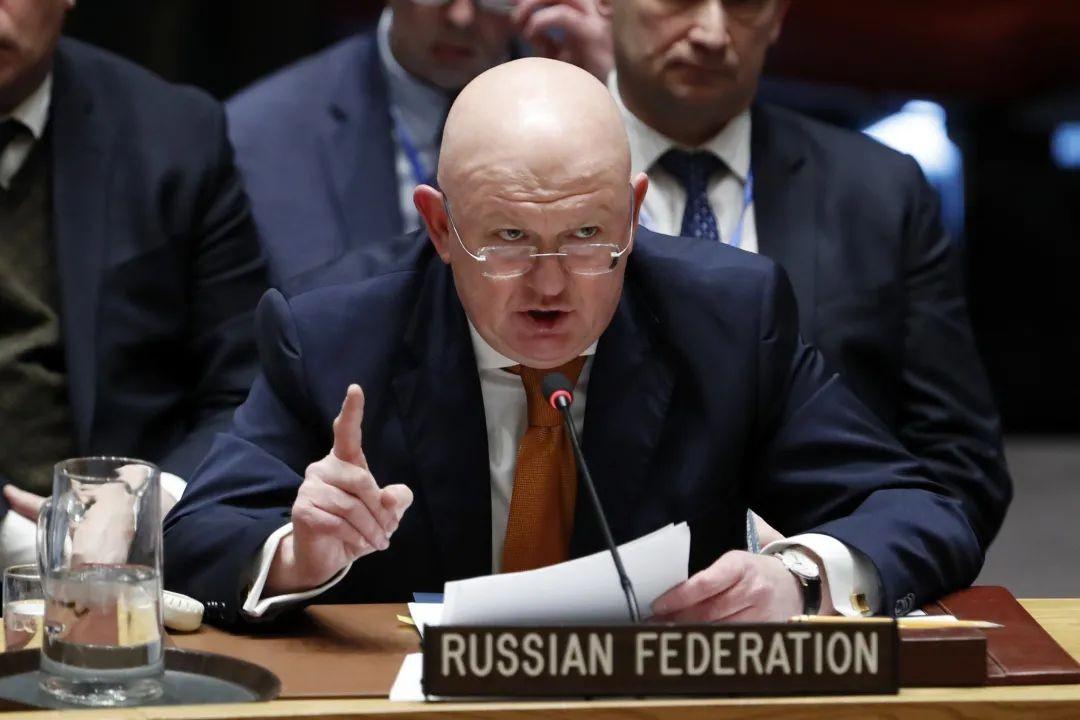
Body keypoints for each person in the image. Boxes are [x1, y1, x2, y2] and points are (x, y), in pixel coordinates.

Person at [164, 58, 981, 628]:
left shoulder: (729, 319)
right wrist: (297, 554)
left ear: (634, 211)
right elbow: (197, 533)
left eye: (590, 235)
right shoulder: (334, 329)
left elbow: (921, 508)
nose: (551, 285)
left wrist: (796, 578)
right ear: (440, 226)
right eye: (510, 238)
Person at [542, 0, 1011, 550]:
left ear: (779, 17)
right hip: (579, 582)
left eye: (744, 5)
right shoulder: (520, 183)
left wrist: (828, 569)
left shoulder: (879, 191)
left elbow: (960, 466)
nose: (712, 33)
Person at [0, 0, 267, 562]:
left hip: (136, 562)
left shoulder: (173, 137)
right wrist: (26, 540)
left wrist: (150, 501)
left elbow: (244, 386)